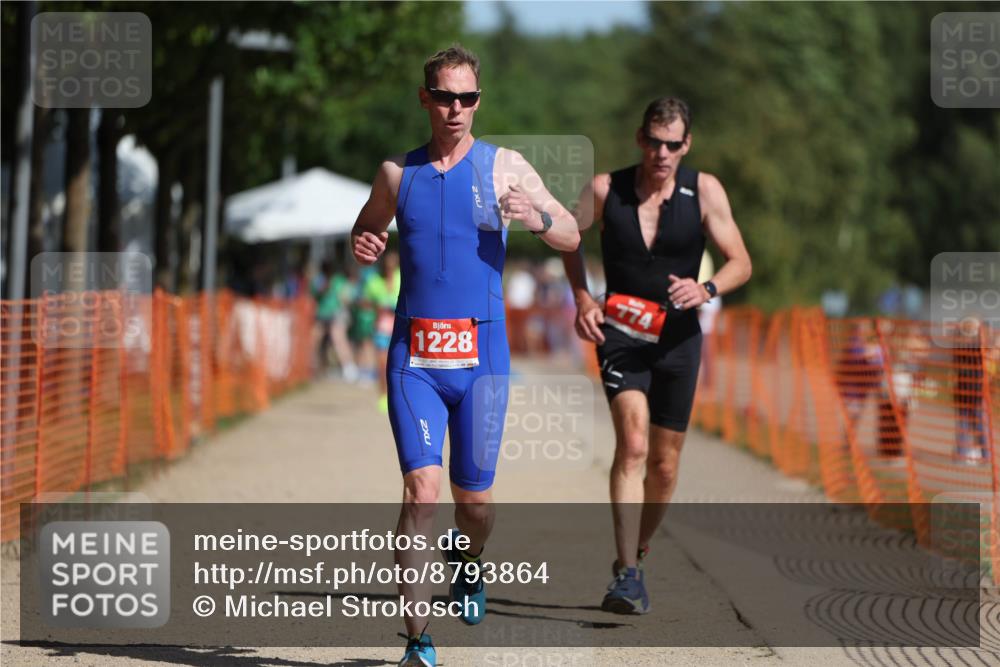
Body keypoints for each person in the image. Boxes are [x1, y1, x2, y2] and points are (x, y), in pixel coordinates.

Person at [350, 45, 579, 667]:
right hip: (414, 357)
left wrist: (533, 215)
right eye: (446, 97)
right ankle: (419, 642)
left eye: (468, 98)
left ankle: (468, 562)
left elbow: (571, 234)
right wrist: (365, 242)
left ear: (479, 101)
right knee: (421, 492)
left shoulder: (506, 167)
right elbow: (366, 227)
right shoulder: (398, 172)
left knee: (473, 503)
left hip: (484, 357)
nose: (457, 109)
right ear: (425, 99)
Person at [561, 97, 751, 614]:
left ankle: (638, 552)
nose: (662, 153)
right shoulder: (606, 189)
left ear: (685, 145)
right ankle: (626, 573)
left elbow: (741, 262)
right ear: (640, 139)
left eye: (674, 145)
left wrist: (707, 288)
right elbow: (565, 235)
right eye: (655, 142)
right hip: (621, 334)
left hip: (679, 339)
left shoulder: (704, 190)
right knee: (635, 444)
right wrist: (582, 296)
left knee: (664, 467)